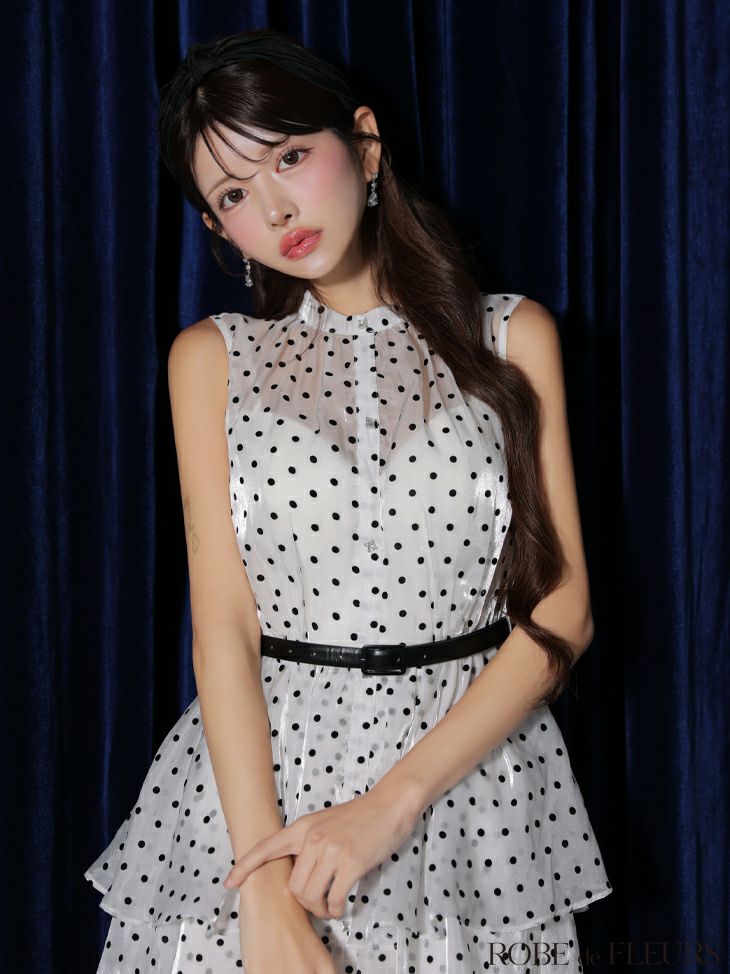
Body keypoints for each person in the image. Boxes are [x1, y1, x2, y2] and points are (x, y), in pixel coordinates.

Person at [84, 27, 612, 974]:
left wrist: (391, 804)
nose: (274, 206)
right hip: (262, 792)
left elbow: (563, 610)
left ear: (365, 145)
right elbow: (223, 626)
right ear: (217, 230)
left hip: (473, 790)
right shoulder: (212, 360)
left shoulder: (512, 336)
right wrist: (261, 891)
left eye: (290, 156)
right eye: (232, 195)